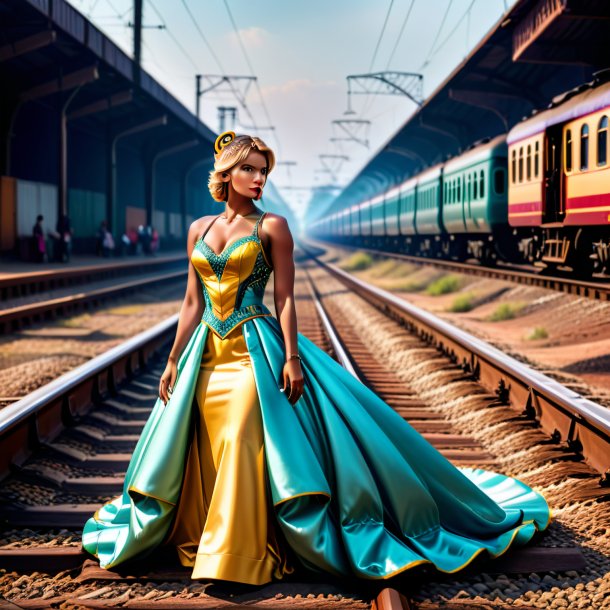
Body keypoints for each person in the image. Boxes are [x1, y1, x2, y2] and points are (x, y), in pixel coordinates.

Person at [82, 132, 551, 586]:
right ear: (227, 172)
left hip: (253, 349)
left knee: (246, 430)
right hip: (206, 351)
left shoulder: (273, 227)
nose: (258, 178)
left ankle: (239, 551)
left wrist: (291, 357)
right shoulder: (198, 230)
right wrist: (172, 360)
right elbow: (191, 303)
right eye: (248, 169)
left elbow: (285, 298)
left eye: (263, 170)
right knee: (205, 439)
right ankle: (207, 535)